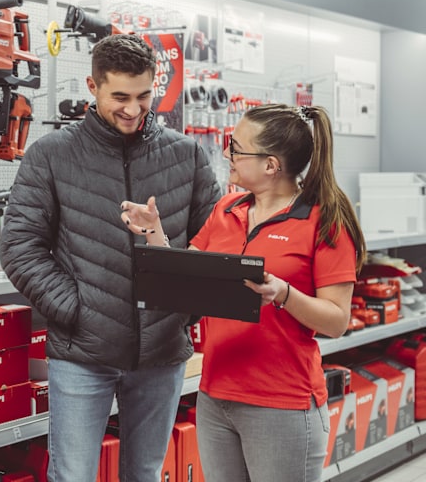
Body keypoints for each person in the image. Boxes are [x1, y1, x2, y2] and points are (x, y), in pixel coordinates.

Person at [0, 34, 221, 481]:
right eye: (120, 96)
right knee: (74, 475)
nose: (133, 109)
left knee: (144, 473)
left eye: (143, 96)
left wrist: (180, 313)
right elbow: (20, 248)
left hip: (161, 353)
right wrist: (78, 311)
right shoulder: (52, 154)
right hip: (83, 353)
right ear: (92, 86)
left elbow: (216, 246)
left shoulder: (187, 155)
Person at [120, 104, 366, 482]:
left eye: (236, 148)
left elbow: (337, 321)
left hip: (281, 402)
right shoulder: (226, 209)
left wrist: (284, 293)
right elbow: (185, 278)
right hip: (216, 396)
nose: (226, 154)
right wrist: (155, 232)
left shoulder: (324, 221)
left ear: (270, 165)